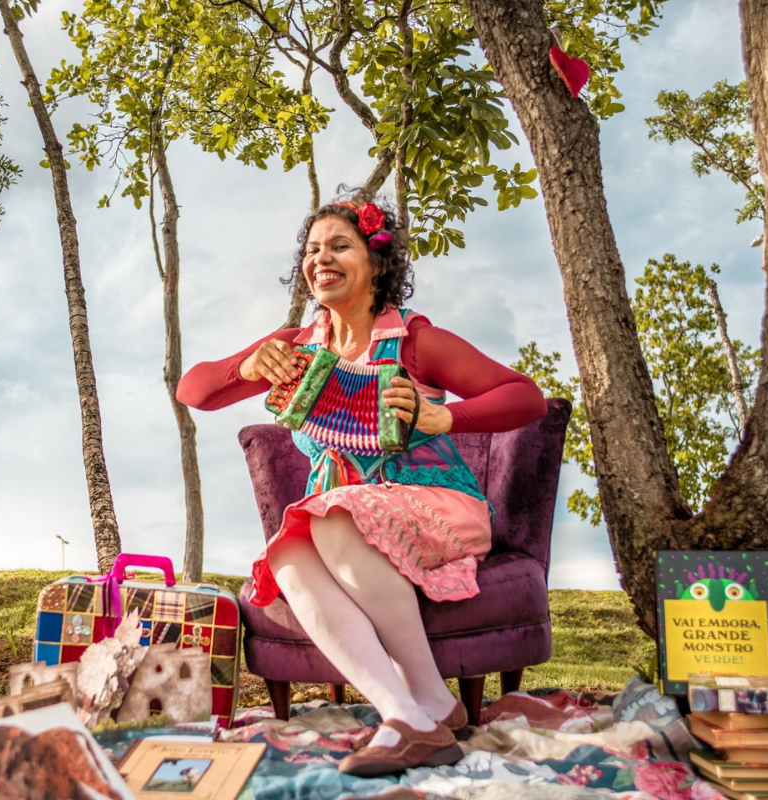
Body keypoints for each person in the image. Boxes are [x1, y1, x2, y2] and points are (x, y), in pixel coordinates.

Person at [176, 195, 547, 776]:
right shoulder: (297, 347)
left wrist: (443, 417)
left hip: (437, 504)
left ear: (376, 263)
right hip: (338, 517)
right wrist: (245, 368)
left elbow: (524, 397)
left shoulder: (417, 342)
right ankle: (413, 712)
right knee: (288, 554)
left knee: (329, 515)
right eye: (312, 248)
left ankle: (425, 704)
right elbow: (193, 389)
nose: (321, 257)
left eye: (339, 245)